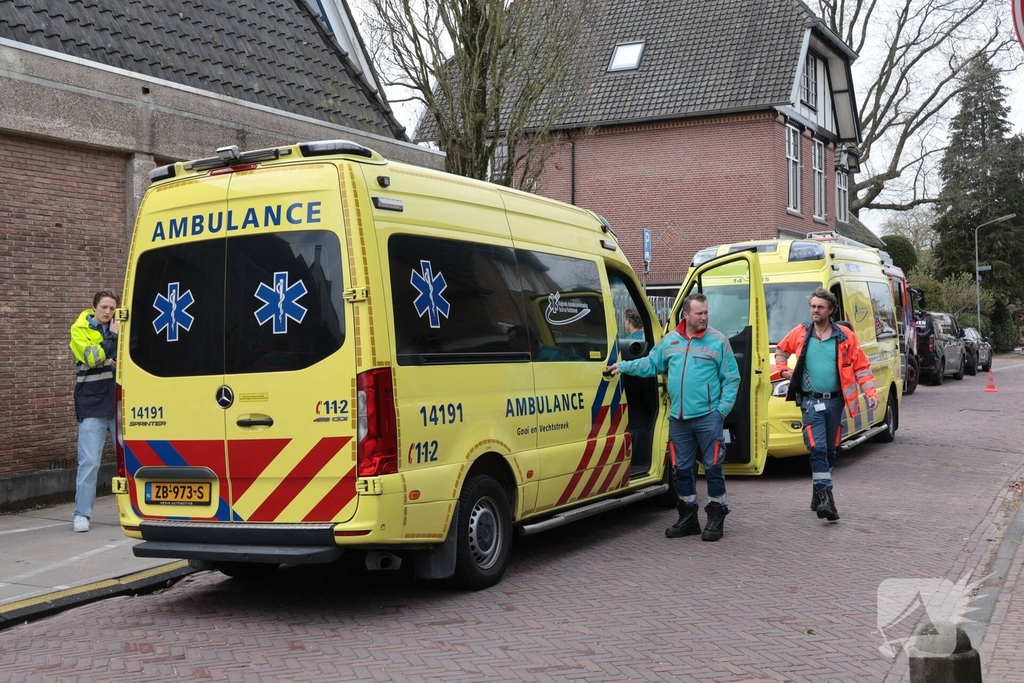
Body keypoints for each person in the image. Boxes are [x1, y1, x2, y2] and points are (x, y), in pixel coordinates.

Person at [606, 293, 740, 541]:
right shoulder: (671, 341)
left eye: (706, 312)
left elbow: (732, 379)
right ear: (686, 315)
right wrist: (622, 367)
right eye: (699, 313)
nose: (704, 317)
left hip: (708, 417)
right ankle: (688, 518)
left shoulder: (718, 341)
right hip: (679, 419)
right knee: (681, 469)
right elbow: (651, 364)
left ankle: (716, 517)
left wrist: (721, 410)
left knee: (712, 467)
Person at [773, 287, 878, 522]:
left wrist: (870, 392)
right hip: (810, 402)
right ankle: (827, 500)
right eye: (812, 306)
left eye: (820, 307)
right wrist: (784, 371)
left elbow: (861, 367)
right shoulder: (801, 333)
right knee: (817, 448)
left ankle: (817, 491)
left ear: (831, 310)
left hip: (836, 403)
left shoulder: (845, 337)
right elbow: (780, 350)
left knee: (830, 450)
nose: (815, 311)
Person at [69, 290, 120, 532]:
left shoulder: (123, 328)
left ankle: (134, 510)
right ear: (95, 307)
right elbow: (91, 357)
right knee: (89, 463)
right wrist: (111, 339)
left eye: (112, 308)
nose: (108, 312)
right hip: (92, 405)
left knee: (130, 462)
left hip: (120, 405)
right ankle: (81, 515)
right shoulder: (79, 330)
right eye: (104, 307)